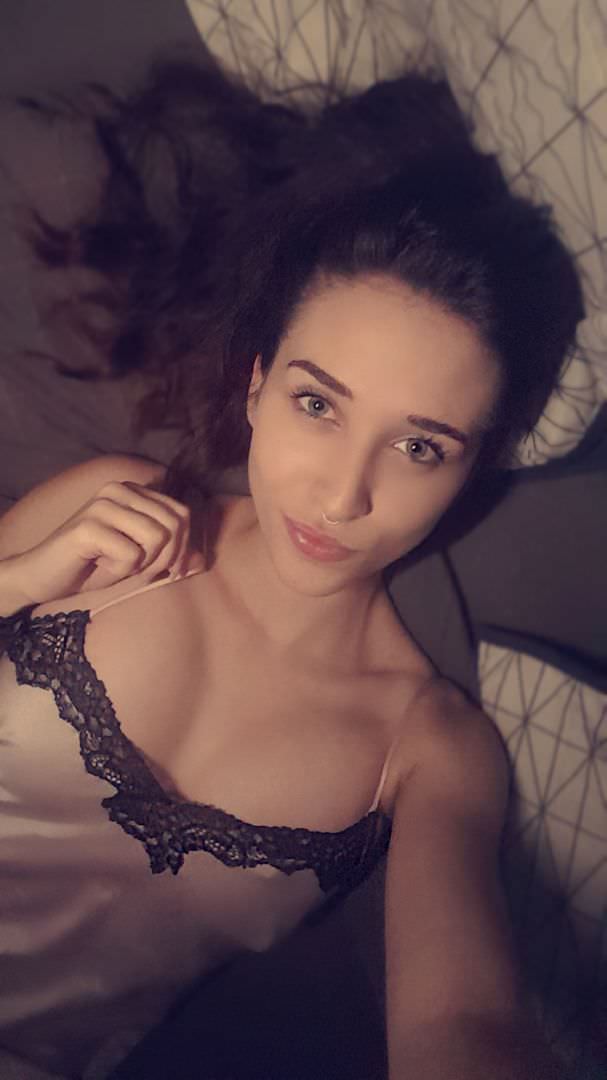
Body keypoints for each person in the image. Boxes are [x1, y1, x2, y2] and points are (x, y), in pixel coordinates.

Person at [0, 61, 582, 1080]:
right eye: (318, 404)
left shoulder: (429, 747)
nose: (341, 496)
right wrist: (18, 578)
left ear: (471, 469)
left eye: (418, 447)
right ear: (257, 384)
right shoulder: (106, 507)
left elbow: (461, 1025)